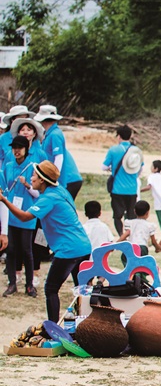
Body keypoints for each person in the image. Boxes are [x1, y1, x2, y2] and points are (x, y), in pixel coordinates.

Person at [0, 161, 91, 323]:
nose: (31, 178)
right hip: (83, 245)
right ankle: (84, 324)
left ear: (42, 180)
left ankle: (53, 329)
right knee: (82, 291)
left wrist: (4, 200)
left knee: (50, 289)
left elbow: (24, 217)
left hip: (68, 249)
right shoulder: (60, 190)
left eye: (34, 175)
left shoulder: (48, 198)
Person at [3, 136, 43, 297]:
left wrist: (27, 185)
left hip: (27, 214)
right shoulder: (8, 166)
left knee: (27, 250)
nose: (16, 150)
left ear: (26, 149)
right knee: (11, 249)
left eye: (20, 147)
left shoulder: (33, 167)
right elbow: (5, 189)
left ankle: (29, 284)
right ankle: (12, 283)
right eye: (14, 147)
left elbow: (37, 193)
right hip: (11, 213)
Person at [102, 124, 143, 236]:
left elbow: (104, 167)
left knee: (117, 216)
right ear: (130, 136)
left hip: (117, 189)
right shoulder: (137, 151)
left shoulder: (113, 150)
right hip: (132, 189)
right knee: (131, 216)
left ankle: (121, 235)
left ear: (119, 136)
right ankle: (131, 235)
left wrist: (112, 169)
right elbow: (140, 169)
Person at [36, 105, 83, 200]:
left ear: (43, 120)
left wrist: (53, 178)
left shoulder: (55, 134)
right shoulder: (48, 134)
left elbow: (59, 157)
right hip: (66, 179)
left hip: (68, 179)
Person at [0, 105, 33, 170]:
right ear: (12, 120)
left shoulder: (32, 138)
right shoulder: (3, 138)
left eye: (25, 118)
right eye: (20, 119)